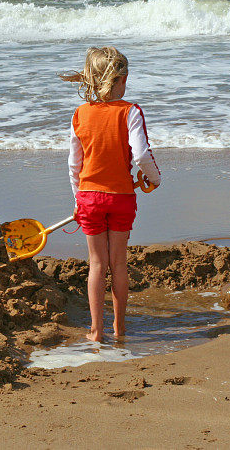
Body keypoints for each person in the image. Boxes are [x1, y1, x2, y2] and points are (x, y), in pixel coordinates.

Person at [63, 46, 161, 342]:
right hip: (120, 197)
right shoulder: (130, 111)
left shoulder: (80, 114)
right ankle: (119, 328)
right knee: (118, 263)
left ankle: (96, 331)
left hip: (89, 198)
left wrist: (78, 198)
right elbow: (142, 155)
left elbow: (73, 164)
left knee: (96, 263)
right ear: (124, 78)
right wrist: (155, 178)